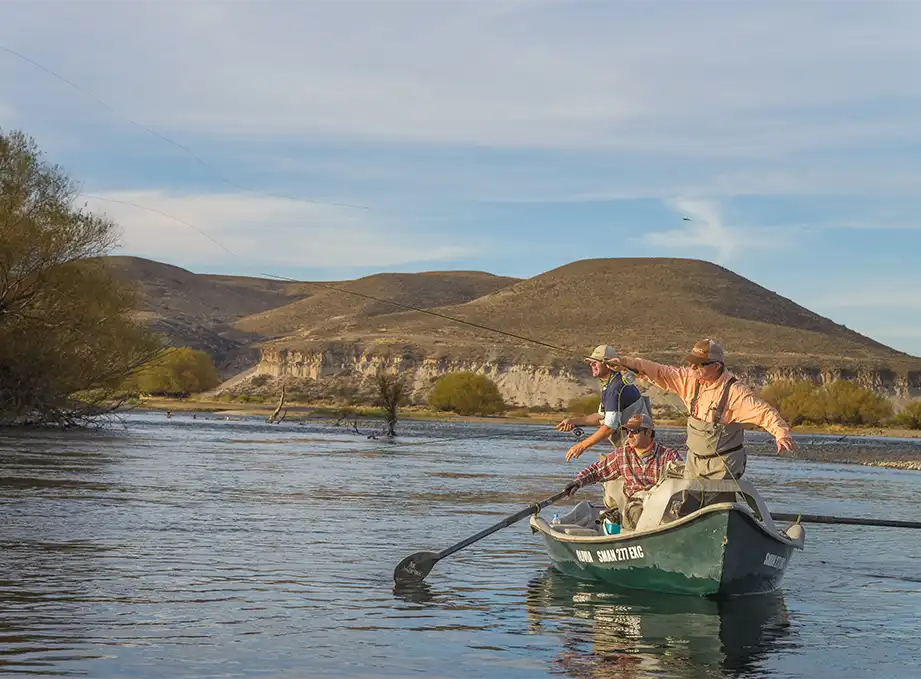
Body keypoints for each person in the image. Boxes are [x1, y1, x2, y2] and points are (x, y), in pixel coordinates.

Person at [606, 339, 796, 484]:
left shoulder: (735, 392)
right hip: (694, 463)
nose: (692, 367)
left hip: (724, 466)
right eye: (691, 363)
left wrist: (781, 434)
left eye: (699, 364)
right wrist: (624, 362)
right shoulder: (689, 378)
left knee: (716, 507)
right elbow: (657, 370)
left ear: (716, 366)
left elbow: (763, 412)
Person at [563, 413, 681, 530]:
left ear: (648, 432)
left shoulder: (669, 455)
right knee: (637, 513)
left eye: (634, 431)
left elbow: (682, 483)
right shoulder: (623, 454)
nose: (629, 435)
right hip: (634, 505)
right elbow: (597, 471)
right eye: (627, 431)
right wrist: (578, 482)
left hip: (662, 505)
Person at [555, 345, 651, 462]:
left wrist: (581, 446)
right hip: (635, 448)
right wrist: (573, 421)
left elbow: (609, 427)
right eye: (591, 362)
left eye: (596, 362)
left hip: (640, 452)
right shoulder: (610, 385)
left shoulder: (615, 388)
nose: (591, 364)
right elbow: (600, 416)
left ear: (610, 365)